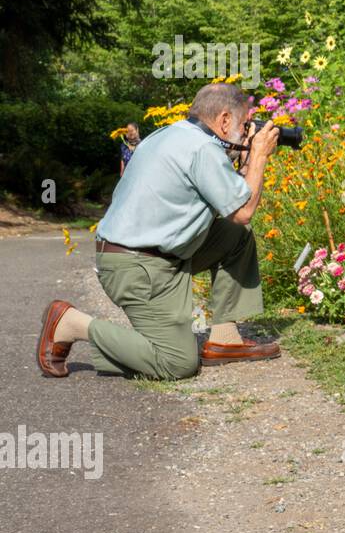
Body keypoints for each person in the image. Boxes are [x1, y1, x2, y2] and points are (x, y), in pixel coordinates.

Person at [37, 83, 282, 379]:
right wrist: (259, 156)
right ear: (225, 120)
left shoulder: (171, 134)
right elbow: (244, 211)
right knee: (177, 363)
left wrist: (246, 158)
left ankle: (224, 339)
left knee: (234, 237)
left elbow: (234, 200)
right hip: (139, 267)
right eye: (245, 125)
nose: (247, 133)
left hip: (148, 255)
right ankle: (72, 323)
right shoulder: (203, 149)